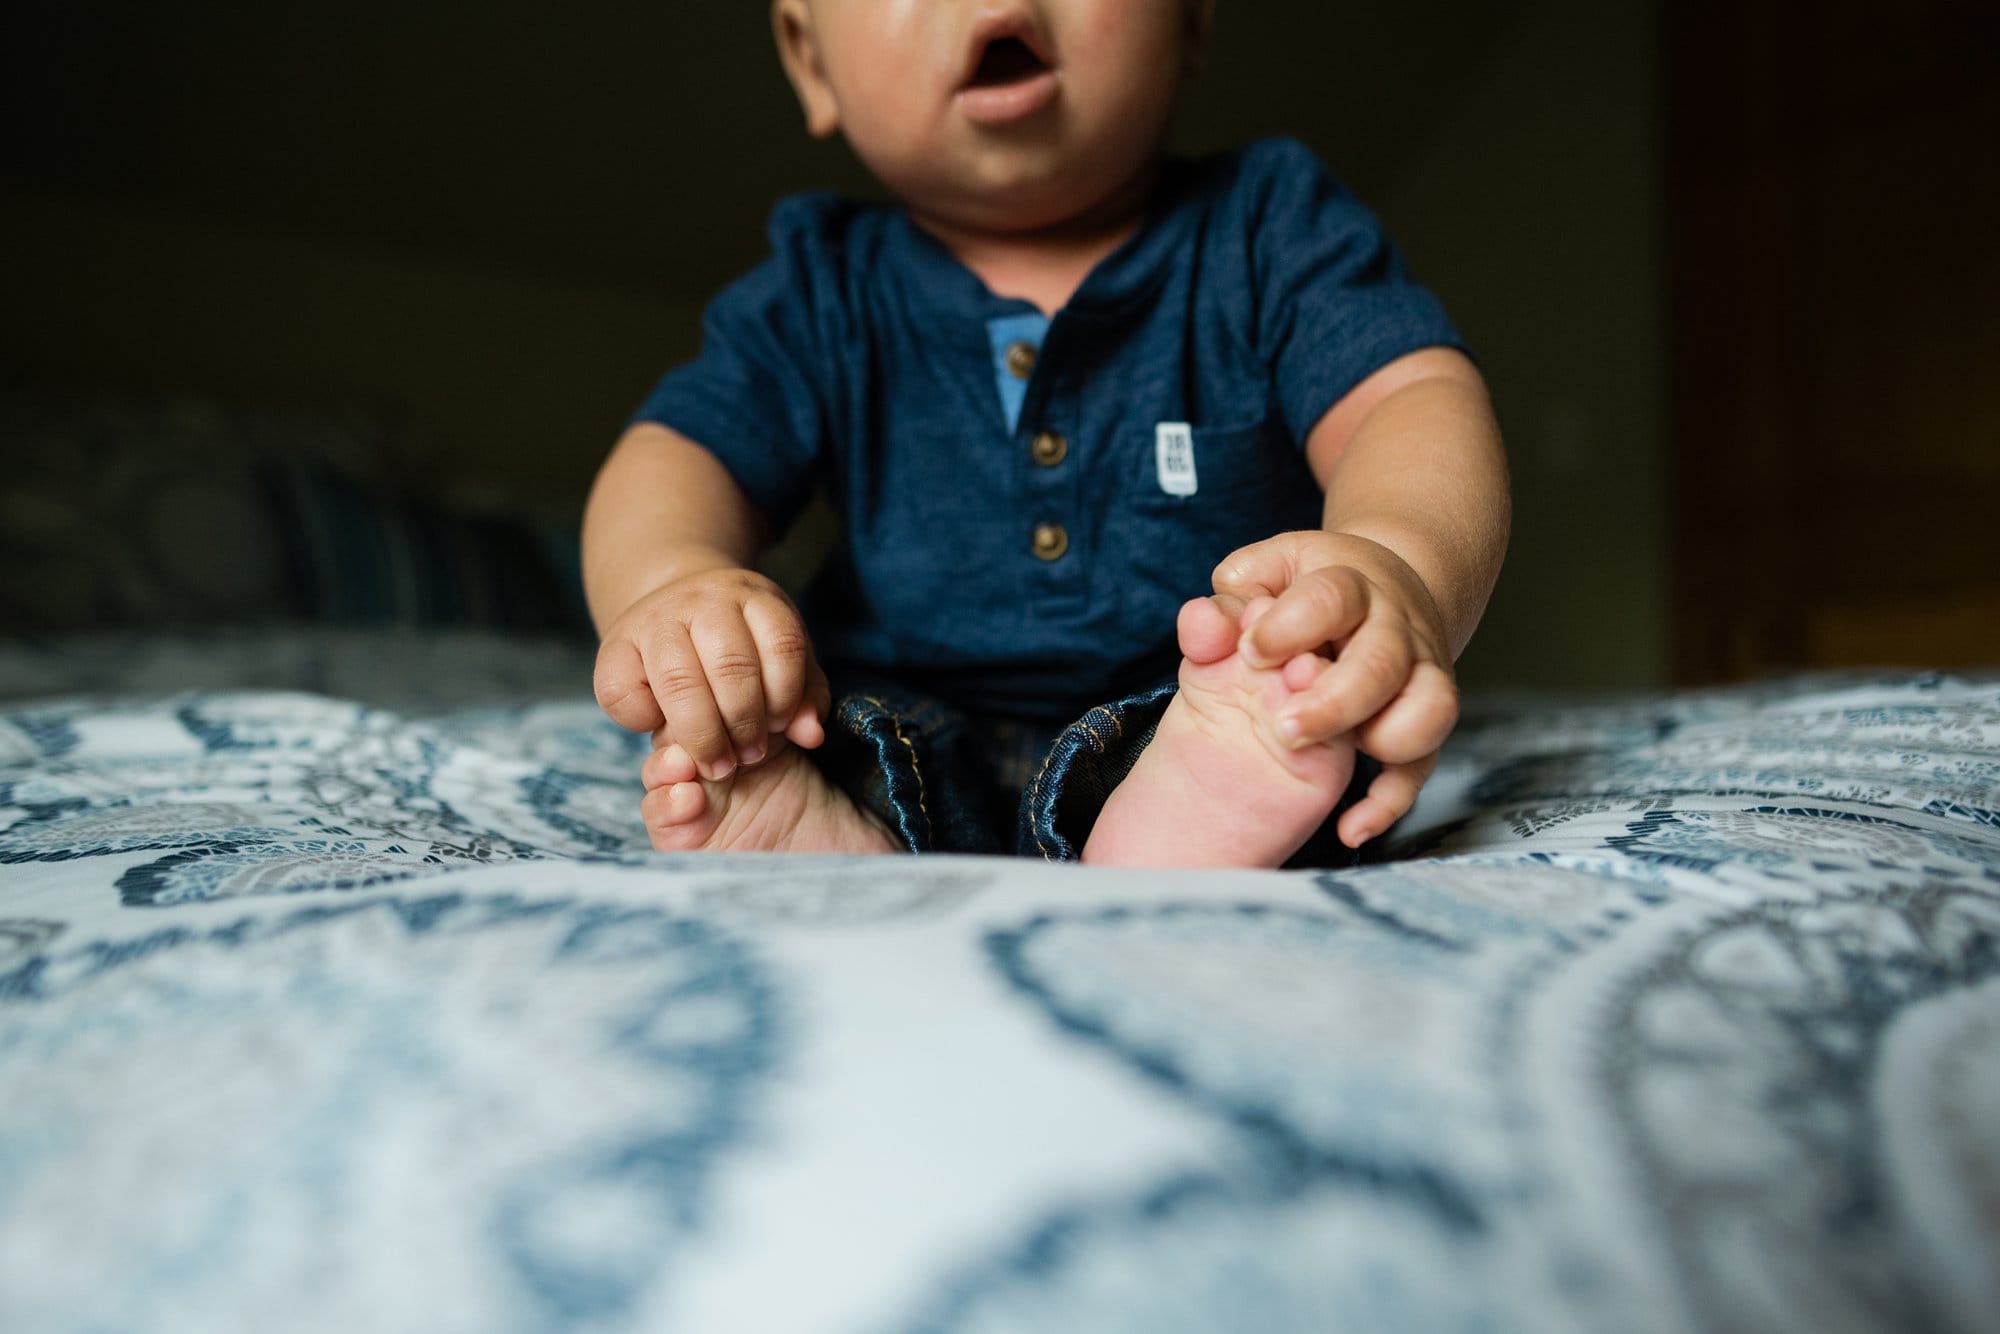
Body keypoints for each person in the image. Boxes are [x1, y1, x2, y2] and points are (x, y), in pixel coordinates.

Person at [582, 0, 1509, 867]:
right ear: (810, 59)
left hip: (1189, 701)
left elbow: (1406, 398)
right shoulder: (821, 287)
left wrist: (1396, 565)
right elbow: (679, 455)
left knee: (1293, 702)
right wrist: (677, 586)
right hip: (899, 714)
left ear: (1191, 16)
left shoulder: (1270, 227)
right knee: (812, 722)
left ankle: (1199, 804)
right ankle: (819, 824)